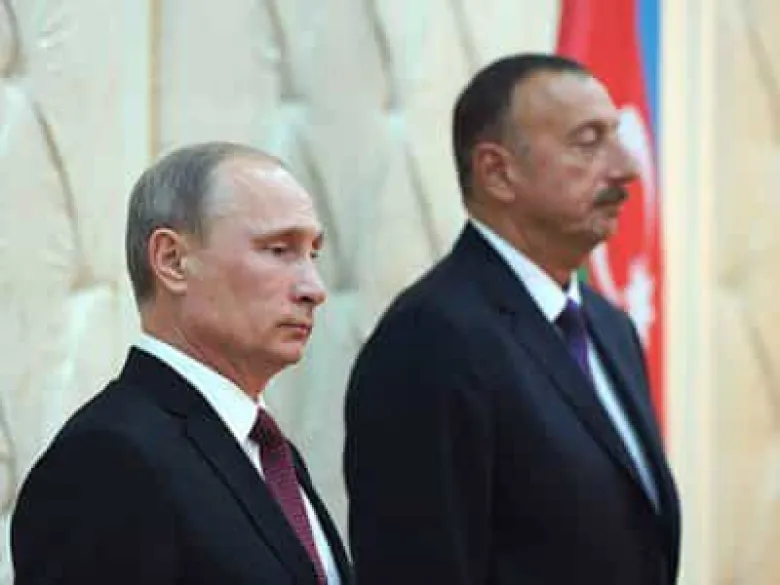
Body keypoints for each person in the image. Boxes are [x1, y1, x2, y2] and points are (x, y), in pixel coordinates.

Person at [343, 54, 681, 585]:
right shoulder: (429, 340)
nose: (628, 169)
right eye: (588, 141)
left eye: (616, 136)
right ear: (498, 173)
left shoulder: (610, 326)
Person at [11, 142, 352, 584]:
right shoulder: (107, 460)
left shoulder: (269, 452)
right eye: (278, 249)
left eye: (313, 254)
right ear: (172, 261)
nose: (314, 288)